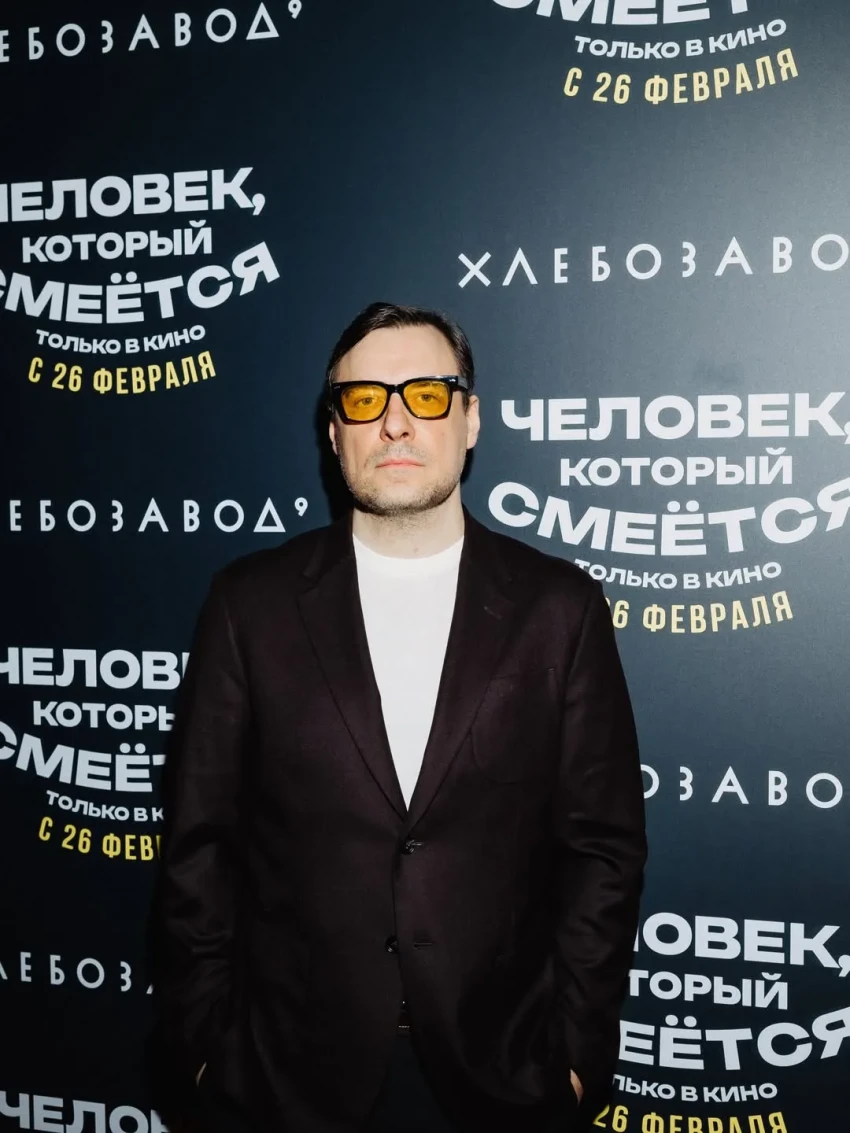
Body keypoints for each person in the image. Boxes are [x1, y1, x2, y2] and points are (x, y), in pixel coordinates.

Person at [152, 302, 647, 1133]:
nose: (394, 422)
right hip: (285, 1081)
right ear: (334, 431)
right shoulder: (248, 604)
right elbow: (199, 843)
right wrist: (208, 1044)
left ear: (470, 419)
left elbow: (603, 847)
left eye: (425, 394)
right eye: (364, 399)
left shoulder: (560, 608)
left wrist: (573, 1054)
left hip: (501, 1077)